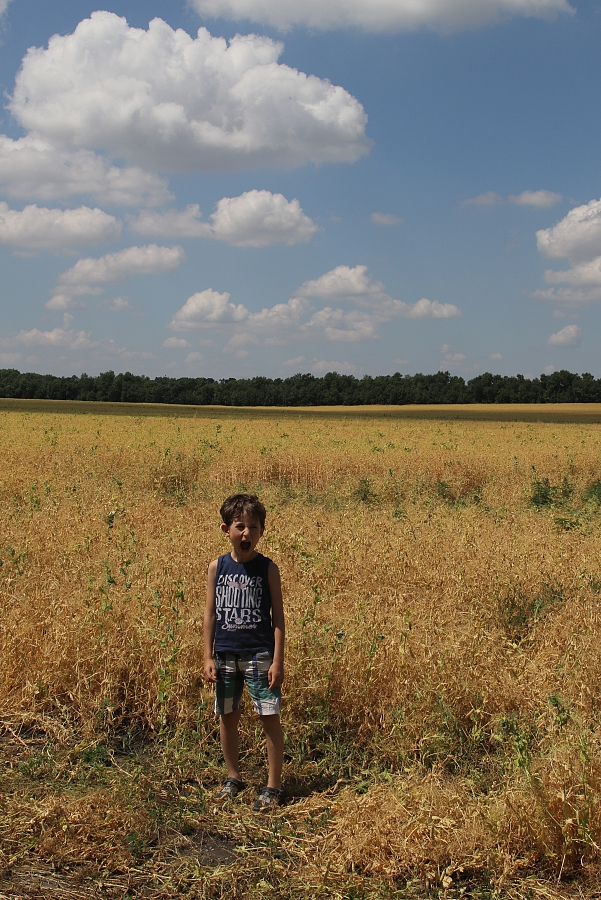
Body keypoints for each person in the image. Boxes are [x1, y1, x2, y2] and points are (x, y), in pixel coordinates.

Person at [203, 493, 285, 812]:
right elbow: (209, 614)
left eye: (253, 527)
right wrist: (207, 656)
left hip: (260, 656)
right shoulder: (217, 567)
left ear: (262, 531)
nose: (246, 533)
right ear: (226, 529)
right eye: (240, 526)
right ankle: (233, 777)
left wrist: (278, 660)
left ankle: (273, 786)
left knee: (269, 718)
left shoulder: (268, 569)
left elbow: (278, 618)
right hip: (224, 654)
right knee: (227, 717)